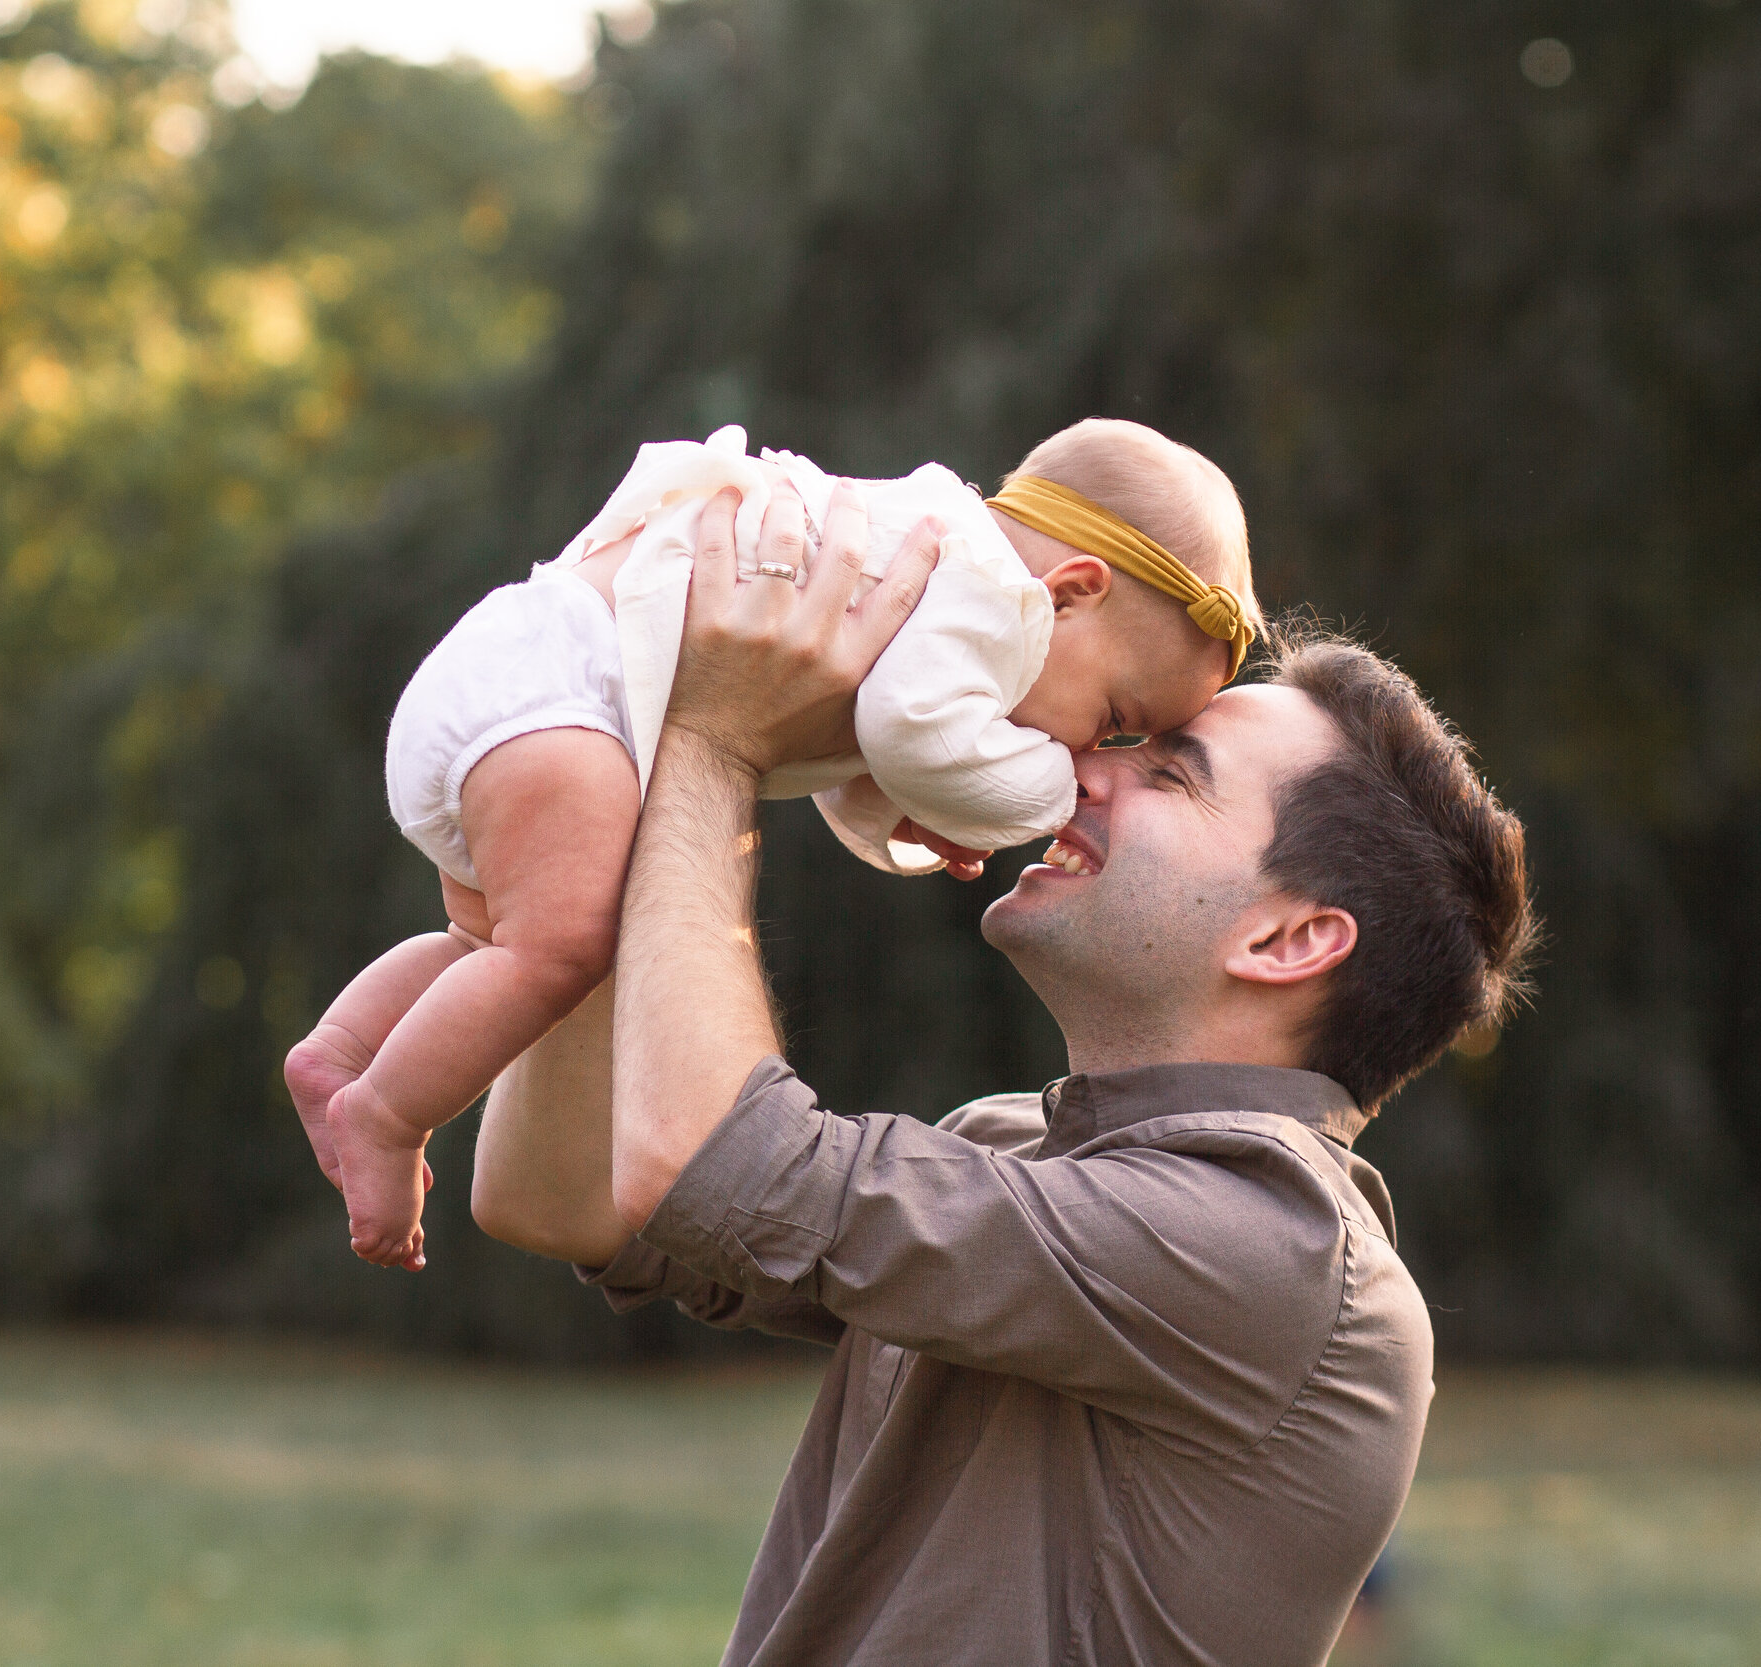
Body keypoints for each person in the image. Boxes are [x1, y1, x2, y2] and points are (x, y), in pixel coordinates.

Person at [457, 482, 1537, 1666]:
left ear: (1287, 940)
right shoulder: (1007, 1145)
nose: (1081, 766)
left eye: (1168, 770)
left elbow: (705, 1158)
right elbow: (556, 1195)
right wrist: (615, 761)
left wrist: (718, 737)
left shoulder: (1276, 1252)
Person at [286, 419, 1263, 1271]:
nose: (1093, 754)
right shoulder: (987, 598)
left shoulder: (925, 566)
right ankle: (386, 1114)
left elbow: (845, 761)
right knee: (559, 950)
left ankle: (339, 1051)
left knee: (490, 948)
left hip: (527, 679)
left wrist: (900, 812)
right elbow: (914, 736)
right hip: (568, 694)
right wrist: (1035, 797)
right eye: (1117, 717)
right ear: (1070, 591)